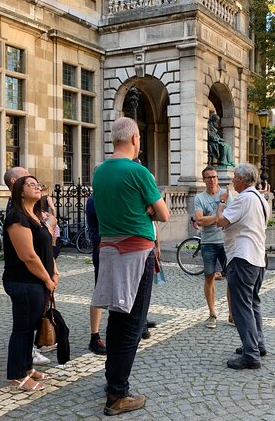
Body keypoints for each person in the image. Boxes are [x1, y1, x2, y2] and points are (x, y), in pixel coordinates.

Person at [90, 117, 170, 416]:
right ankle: (117, 394)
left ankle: (112, 381)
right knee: (132, 324)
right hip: (137, 254)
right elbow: (163, 215)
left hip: (110, 250)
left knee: (116, 319)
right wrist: (148, 206)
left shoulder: (99, 172)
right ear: (135, 139)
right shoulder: (139, 172)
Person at [3, 175, 59, 392]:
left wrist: (54, 271)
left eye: (38, 184)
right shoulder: (17, 218)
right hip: (23, 282)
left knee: (31, 326)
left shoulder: (36, 216)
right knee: (22, 329)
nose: (37, 187)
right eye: (31, 185)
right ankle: (17, 375)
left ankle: (27, 368)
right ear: (20, 191)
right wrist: (46, 278)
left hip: (40, 281)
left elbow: (46, 249)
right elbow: (28, 256)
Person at [216, 163, 269, 370]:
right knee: (253, 302)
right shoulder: (260, 199)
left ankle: (250, 354)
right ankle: (257, 344)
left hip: (243, 257)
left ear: (241, 179)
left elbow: (222, 221)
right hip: (258, 257)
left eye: (234, 177)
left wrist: (222, 202)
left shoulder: (244, 198)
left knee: (241, 307)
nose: (232, 181)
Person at [194, 166, 230, 329]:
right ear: (204, 180)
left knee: (232, 279)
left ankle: (232, 314)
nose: (212, 180)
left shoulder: (225, 194)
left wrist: (213, 219)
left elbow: (231, 217)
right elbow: (199, 221)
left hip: (226, 242)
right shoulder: (199, 198)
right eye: (208, 177)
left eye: (214, 177)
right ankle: (212, 313)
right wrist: (218, 217)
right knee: (209, 277)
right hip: (208, 242)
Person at [85, 194, 107, 355]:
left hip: (115, 249)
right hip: (103, 250)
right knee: (100, 292)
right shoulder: (95, 199)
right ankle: (95, 336)